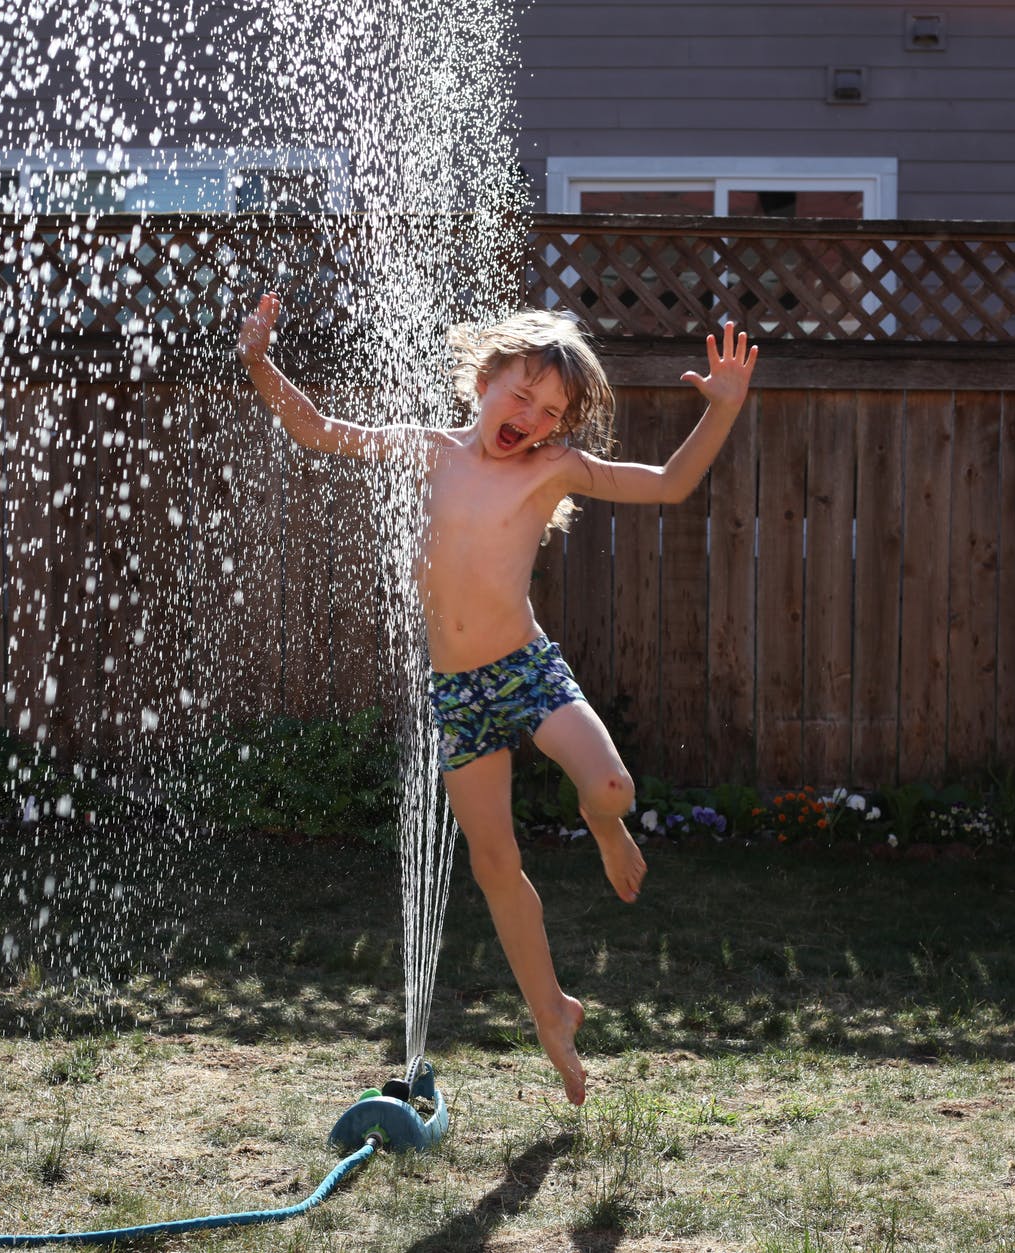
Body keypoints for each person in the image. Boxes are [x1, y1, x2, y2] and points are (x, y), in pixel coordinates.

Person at [237, 292, 757, 1104]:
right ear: (483, 379)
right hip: (459, 692)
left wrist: (721, 410)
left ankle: (602, 820)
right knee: (494, 862)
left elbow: (668, 484)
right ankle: (551, 1013)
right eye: (520, 393)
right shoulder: (428, 449)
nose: (530, 416)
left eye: (549, 411)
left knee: (612, 784)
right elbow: (319, 430)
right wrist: (262, 365)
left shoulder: (552, 468)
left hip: (525, 667)